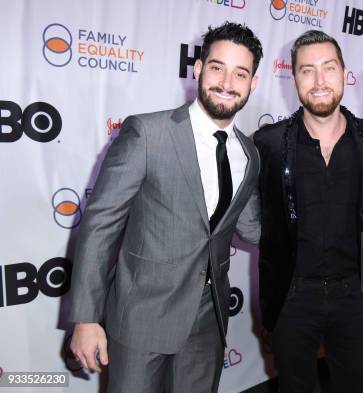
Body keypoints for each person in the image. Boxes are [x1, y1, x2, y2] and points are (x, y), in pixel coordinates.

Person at [68, 22, 262, 393]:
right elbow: (100, 225)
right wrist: (86, 318)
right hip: (142, 319)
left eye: (241, 73)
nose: (227, 81)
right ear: (198, 69)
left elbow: (254, 227)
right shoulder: (147, 134)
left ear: (253, 84)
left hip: (208, 323)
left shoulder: (249, 154)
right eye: (218, 67)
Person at [253, 30, 363, 393]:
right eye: (307, 70)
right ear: (293, 78)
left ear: (345, 74)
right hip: (292, 298)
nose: (319, 80)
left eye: (329, 68)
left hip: (354, 296)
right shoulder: (268, 144)